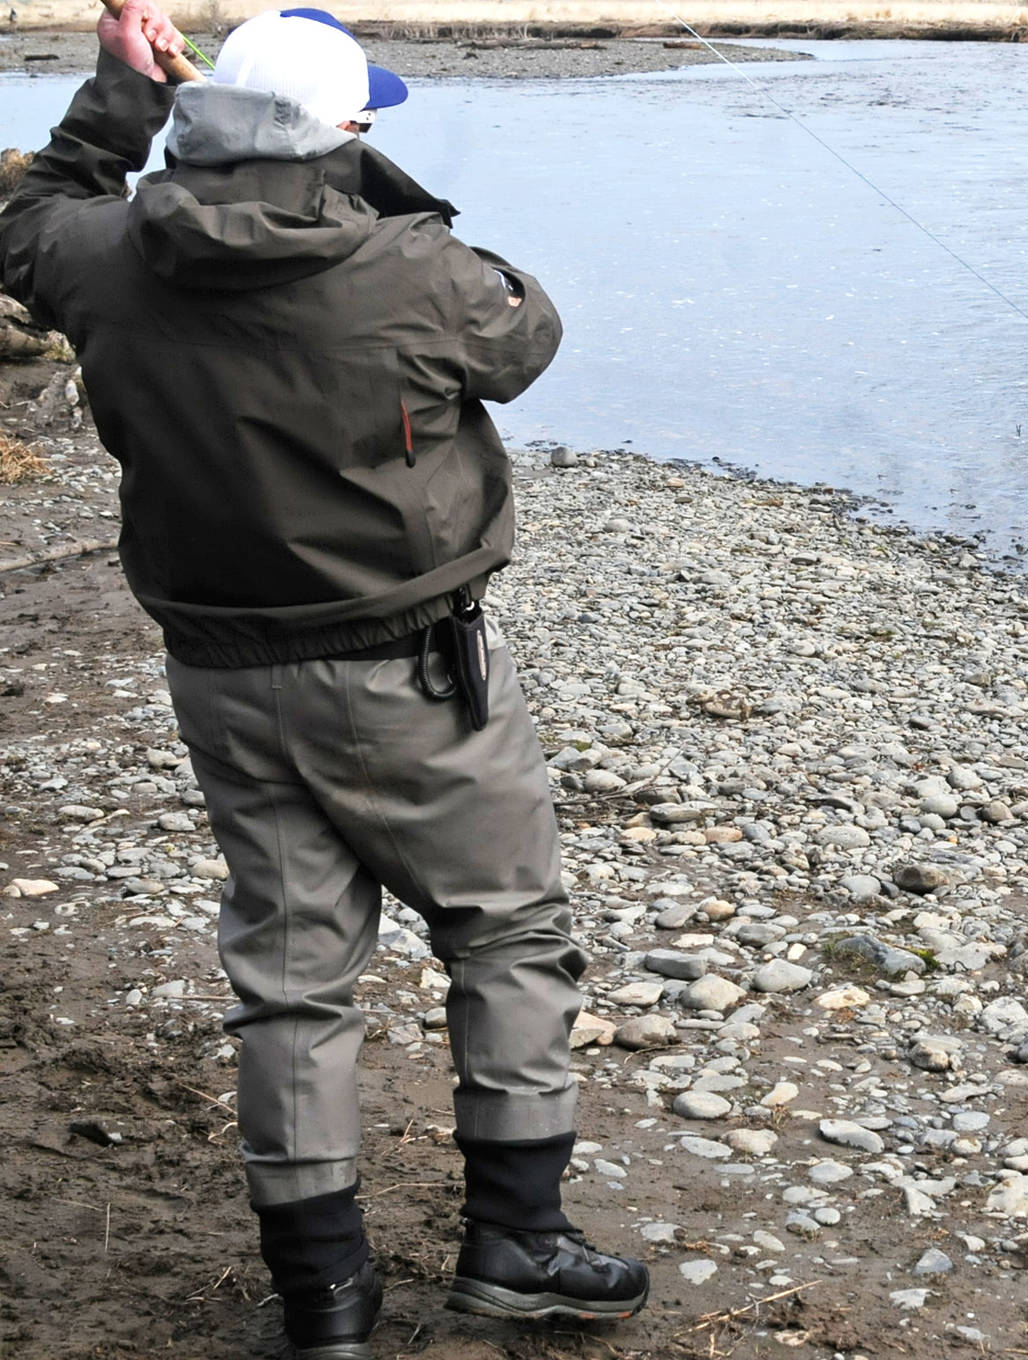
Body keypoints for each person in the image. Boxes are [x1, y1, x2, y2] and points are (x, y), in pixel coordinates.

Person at [0, 6, 649, 1357]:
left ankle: (326, 1308)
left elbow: (39, 207)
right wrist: (348, 169)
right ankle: (518, 1245)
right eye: (359, 127)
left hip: (224, 681)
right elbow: (525, 338)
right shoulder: (410, 268)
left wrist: (130, 101)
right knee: (509, 936)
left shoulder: (104, 255)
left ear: (216, 124)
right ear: (344, 139)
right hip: (412, 680)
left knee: (292, 985)